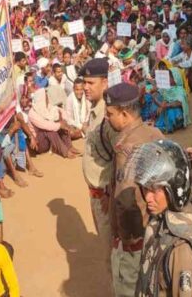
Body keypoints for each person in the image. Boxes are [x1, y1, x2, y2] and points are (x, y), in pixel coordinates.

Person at [127, 139, 192, 297]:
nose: (148, 197)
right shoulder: (165, 216)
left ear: (175, 187)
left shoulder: (182, 250)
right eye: (145, 188)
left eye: (155, 189)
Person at [105, 82, 165, 296]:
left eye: (110, 114)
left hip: (136, 240)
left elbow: (126, 201)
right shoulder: (155, 133)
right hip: (156, 231)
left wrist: (128, 241)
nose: (107, 118)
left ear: (124, 114)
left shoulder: (126, 148)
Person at [79, 58, 116, 250]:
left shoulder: (108, 117)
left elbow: (121, 159)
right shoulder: (95, 111)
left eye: (90, 83)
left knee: (111, 252)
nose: (85, 87)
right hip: (96, 195)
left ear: (105, 83)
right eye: (84, 82)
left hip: (106, 197)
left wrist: (111, 194)